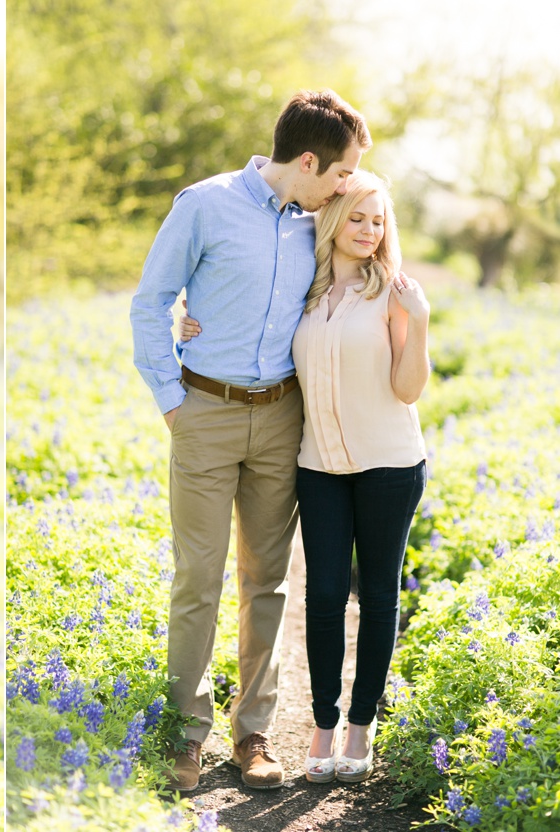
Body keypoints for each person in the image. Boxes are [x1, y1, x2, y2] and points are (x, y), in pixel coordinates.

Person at [129, 89, 371, 792]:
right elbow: (151, 302)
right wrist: (174, 402)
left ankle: (254, 734)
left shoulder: (319, 220)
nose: (345, 183)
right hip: (204, 410)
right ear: (306, 160)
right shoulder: (203, 205)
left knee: (267, 580)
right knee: (197, 579)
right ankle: (186, 736)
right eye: (340, 170)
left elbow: (366, 243)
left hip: (283, 419)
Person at [179, 171, 429, 783]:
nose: (370, 231)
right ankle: (322, 727)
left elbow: (408, 388)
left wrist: (418, 322)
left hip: (389, 464)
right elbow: (248, 314)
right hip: (317, 464)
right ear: (333, 218)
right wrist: (190, 320)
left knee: (376, 597)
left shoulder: (394, 293)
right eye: (358, 217)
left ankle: (360, 728)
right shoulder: (305, 289)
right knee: (321, 599)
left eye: (379, 221)